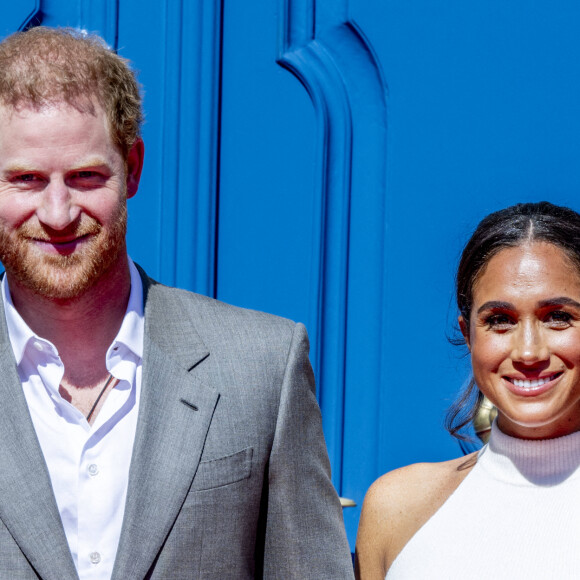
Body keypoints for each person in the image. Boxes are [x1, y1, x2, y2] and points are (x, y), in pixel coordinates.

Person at [0, 26, 354, 580]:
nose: (59, 212)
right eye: (26, 179)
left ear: (133, 168)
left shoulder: (262, 365)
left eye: (86, 176)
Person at [355, 201, 580, 579]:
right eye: (500, 320)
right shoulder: (397, 507)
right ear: (468, 334)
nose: (528, 352)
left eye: (558, 317)